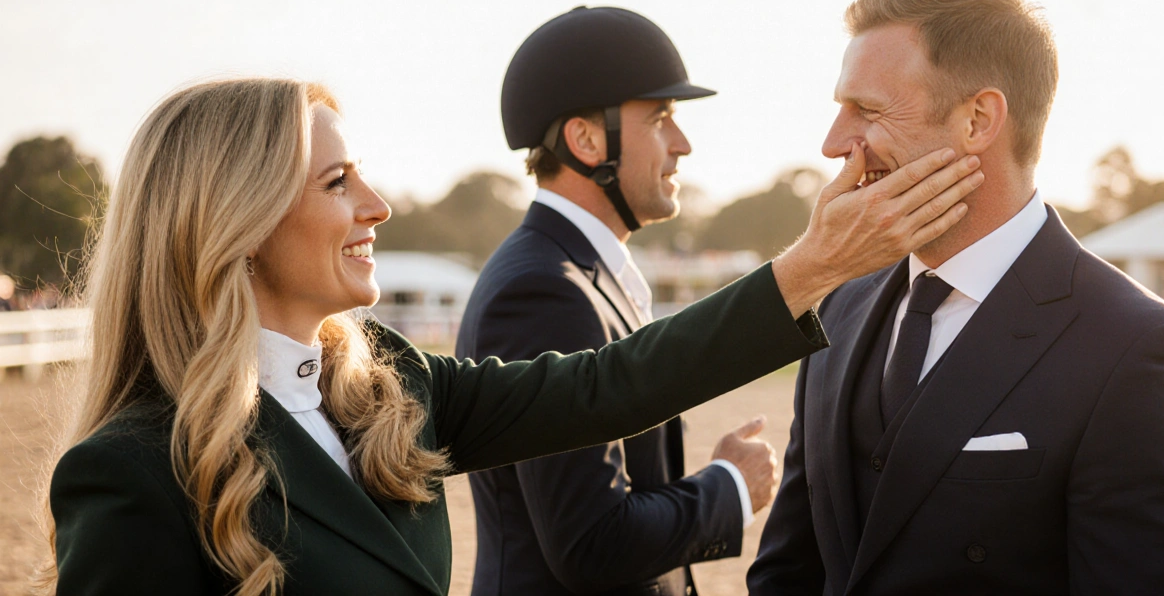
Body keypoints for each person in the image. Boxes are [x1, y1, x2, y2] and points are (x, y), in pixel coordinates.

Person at [43, 77, 980, 596]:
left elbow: (616, 383)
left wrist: (814, 265)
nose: (378, 205)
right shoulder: (128, 473)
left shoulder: (393, 385)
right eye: (336, 184)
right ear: (233, 222)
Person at [748, 0, 1164, 595]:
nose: (833, 145)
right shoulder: (839, 308)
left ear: (978, 120)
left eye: (868, 110)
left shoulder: (1137, 351)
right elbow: (787, 571)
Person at [459, 6, 774, 596]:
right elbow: (592, 542)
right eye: (660, 118)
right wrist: (729, 487)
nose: (682, 144)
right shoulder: (544, 291)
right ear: (584, 138)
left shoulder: (583, 274)